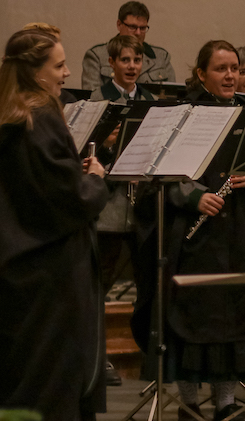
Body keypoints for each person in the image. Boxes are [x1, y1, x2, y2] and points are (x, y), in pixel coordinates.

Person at [132, 40, 245, 421]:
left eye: (235, 69)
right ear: (201, 74)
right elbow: (160, 171)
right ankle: (190, 403)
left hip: (241, 232)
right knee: (193, 318)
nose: (231, 76)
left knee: (234, 319)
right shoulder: (183, 115)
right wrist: (193, 197)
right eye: (221, 69)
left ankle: (226, 403)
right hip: (194, 236)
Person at [0, 28, 110, 421]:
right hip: (52, 275)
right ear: (34, 71)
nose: (66, 74)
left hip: (17, 264)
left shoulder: (9, 115)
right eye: (59, 65)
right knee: (54, 385)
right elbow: (71, 199)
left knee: (23, 382)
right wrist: (95, 178)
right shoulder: (41, 115)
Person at [89, 33, 156, 386]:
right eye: (126, 60)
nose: (132, 67)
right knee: (100, 284)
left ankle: (150, 358)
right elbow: (87, 156)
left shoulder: (150, 101)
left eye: (137, 61)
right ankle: (99, 359)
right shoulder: (99, 100)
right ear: (112, 63)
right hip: (111, 208)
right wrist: (107, 145)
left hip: (141, 206)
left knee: (148, 285)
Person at [81, 1, 175, 91]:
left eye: (142, 28)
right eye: (132, 27)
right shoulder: (97, 56)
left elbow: (171, 96)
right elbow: (92, 98)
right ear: (119, 25)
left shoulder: (161, 57)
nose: (138, 33)